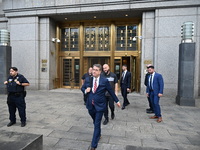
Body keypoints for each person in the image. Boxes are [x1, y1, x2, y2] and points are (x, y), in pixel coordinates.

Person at [81, 64, 121, 150]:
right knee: (95, 121)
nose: (94, 71)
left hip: (100, 106)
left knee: (96, 123)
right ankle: (98, 134)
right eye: (93, 69)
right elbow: (82, 87)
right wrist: (85, 90)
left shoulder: (104, 81)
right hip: (90, 105)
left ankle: (93, 145)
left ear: (100, 72)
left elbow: (111, 91)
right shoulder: (89, 79)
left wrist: (116, 100)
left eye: (96, 70)